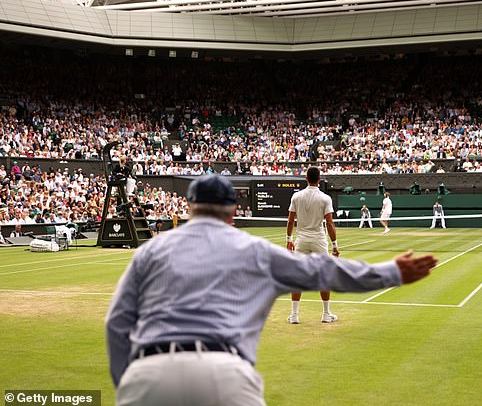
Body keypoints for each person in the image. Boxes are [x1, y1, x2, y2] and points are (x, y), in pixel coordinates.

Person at [106, 174, 438, 406]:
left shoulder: (150, 251)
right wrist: (390, 272)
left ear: (190, 208)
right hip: (224, 374)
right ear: (234, 212)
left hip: (146, 377)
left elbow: (118, 324)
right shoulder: (254, 251)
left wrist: (132, 381)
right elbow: (323, 270)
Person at [286, 167, 339, 324]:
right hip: (319, 241)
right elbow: (329, 222)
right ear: (319, 179)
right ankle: (326, 314)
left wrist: (289, 239)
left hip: (301, 241)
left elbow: (290, 220)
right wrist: (335, 245)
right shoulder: (325, 198)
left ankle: (294, 315)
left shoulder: (297, 196)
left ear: (306, 179)